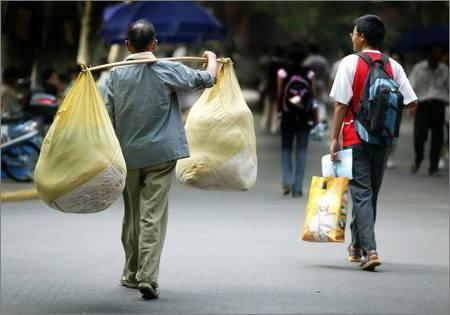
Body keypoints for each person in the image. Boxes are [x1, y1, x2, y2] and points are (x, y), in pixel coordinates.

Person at [101, 19, 217, 299]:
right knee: (152, 214)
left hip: (128, 155)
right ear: (155, 44)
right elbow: (207, 79)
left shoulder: (113, 76)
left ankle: (131, 272)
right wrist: (211, 59)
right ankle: (147, 277)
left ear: (127, 45)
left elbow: (105, 116)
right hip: (162, 155)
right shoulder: (168, 69)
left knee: (132, 214)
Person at [329, 15, 417, 271]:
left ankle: (371, 250)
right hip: (383, 139)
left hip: (355, 136)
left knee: (361, 193)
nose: (351, 36)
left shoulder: (350, 63)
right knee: (369, 194)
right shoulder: (394, 66)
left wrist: (334, 138)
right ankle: (356, 246)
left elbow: (340, 105)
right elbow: (412, 102)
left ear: (363, 36)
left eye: (354, 32)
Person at [277, 42, 318, 198]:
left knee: (286, 149)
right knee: (301, 151)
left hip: (287, 115)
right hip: (304, 117)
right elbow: (312, 97)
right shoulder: (309, 73)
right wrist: (314, 117)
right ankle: (298, 188)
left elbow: (280, 94)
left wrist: (279, 112)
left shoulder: (282, 72)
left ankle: (287, 180)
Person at [408, 45, 449, 177]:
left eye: (438, 53)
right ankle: (418, 158)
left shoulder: (444, 70)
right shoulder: (419, 68)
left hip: (439, 106)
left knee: (438, 138)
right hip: (423, 106)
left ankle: (433, 167)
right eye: (434, 53)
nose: (436, 56)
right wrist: (411, 105)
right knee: (419, 137)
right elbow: (410, 86)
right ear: (428, 55)